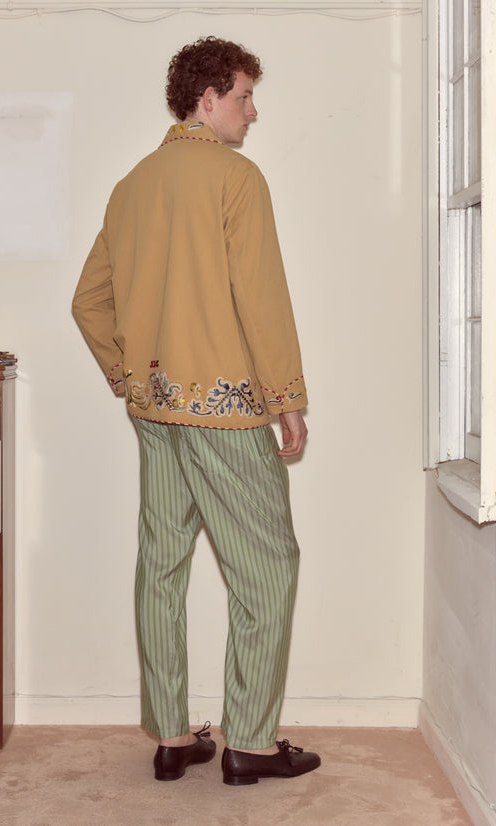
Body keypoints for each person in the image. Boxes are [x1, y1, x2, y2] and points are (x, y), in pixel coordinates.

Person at [72, 36, 320, 786]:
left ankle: (173, 737)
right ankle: (250, 742)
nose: (253, 111)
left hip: (155, 412)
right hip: (226, 412)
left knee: (161, 567)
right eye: (244, 96)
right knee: (268, 568)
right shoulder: (235, 178)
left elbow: (88, 302)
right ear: (207, 99)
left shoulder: (132, 186)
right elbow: (261, 298)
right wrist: (287, 397)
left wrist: (129, 375)